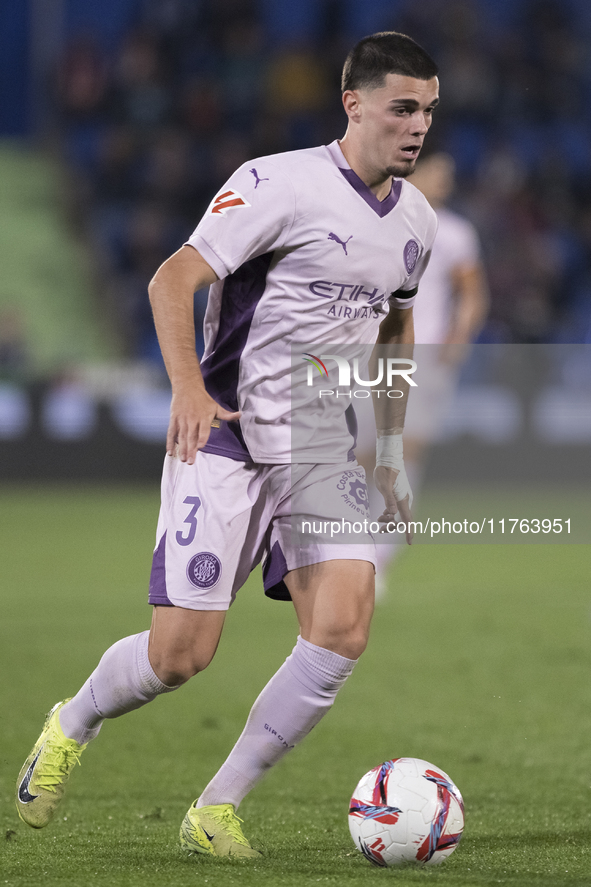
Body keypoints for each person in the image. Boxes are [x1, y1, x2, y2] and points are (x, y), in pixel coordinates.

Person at [16, 32, 439, 857]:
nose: (416, 125)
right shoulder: (277, 182)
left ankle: (216, 806)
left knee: (345, 624)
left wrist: (387, 449)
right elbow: (172, 278)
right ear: (353, 105)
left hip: (318, 444)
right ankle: (72, 721)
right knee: (179, 657)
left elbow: (397, 327)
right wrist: (185, 387)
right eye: (401, 108)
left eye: (427, 110)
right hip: (229, 435)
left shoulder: (414, 221)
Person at [356, 151, 489, 594]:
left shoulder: (454, 232)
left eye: (450, 174)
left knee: (403, 453)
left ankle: (380, 561)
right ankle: (353, 555)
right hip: (366, 354)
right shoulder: (377, 218)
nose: (445, 181)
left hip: (421, 357)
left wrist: (457, 342)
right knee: (360, 456)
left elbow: (472, 294)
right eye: (438, 171)